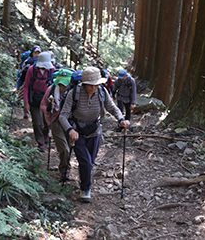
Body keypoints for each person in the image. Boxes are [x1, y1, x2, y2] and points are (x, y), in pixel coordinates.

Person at [59, 66, 130, 203]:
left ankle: (83, 178)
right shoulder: (74, 93)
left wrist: (121, 119)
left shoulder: (102, 91)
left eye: (96, 84)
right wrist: (69, 130)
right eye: (91, 85)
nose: (93, 87)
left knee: (90, 163)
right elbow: (63, 116)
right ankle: (85, 188)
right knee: (85, 162)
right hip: (77, 132)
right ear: (84, 83)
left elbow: (112, 107)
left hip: (94, 131)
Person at [40, 69, 73, 181]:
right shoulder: (51, 89)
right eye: (60, 83)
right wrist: (48, 108)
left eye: (65, 83)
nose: (62, 85)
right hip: (55, 121)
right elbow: (42, 106)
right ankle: (64, 170)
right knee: (64, 148)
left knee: (69, 146)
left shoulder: (74, 91)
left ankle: (66, 168)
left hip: (69, 121)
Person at [23, 51, 56, 152]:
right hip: (34, 99)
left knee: (46, 122)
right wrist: (26, 103)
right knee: (37, 123)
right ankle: (40, 142)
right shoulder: (31, 70)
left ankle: (45, 134)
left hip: (47, 99)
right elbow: (26, 86)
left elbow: (55, 86)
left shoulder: (52, 70)